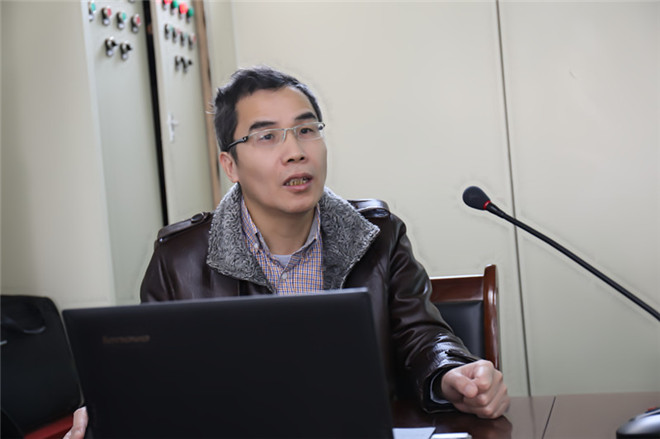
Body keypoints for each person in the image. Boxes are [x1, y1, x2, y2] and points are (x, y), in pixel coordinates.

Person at [65, 66, 508, 438]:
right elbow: (150, 377)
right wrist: (109, 410)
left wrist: (451, 373)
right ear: (230, 165)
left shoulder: (379, 235)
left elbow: (421, 336)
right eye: (267, 137)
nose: (295, 152)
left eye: (306, 130)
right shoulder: (177, 259)